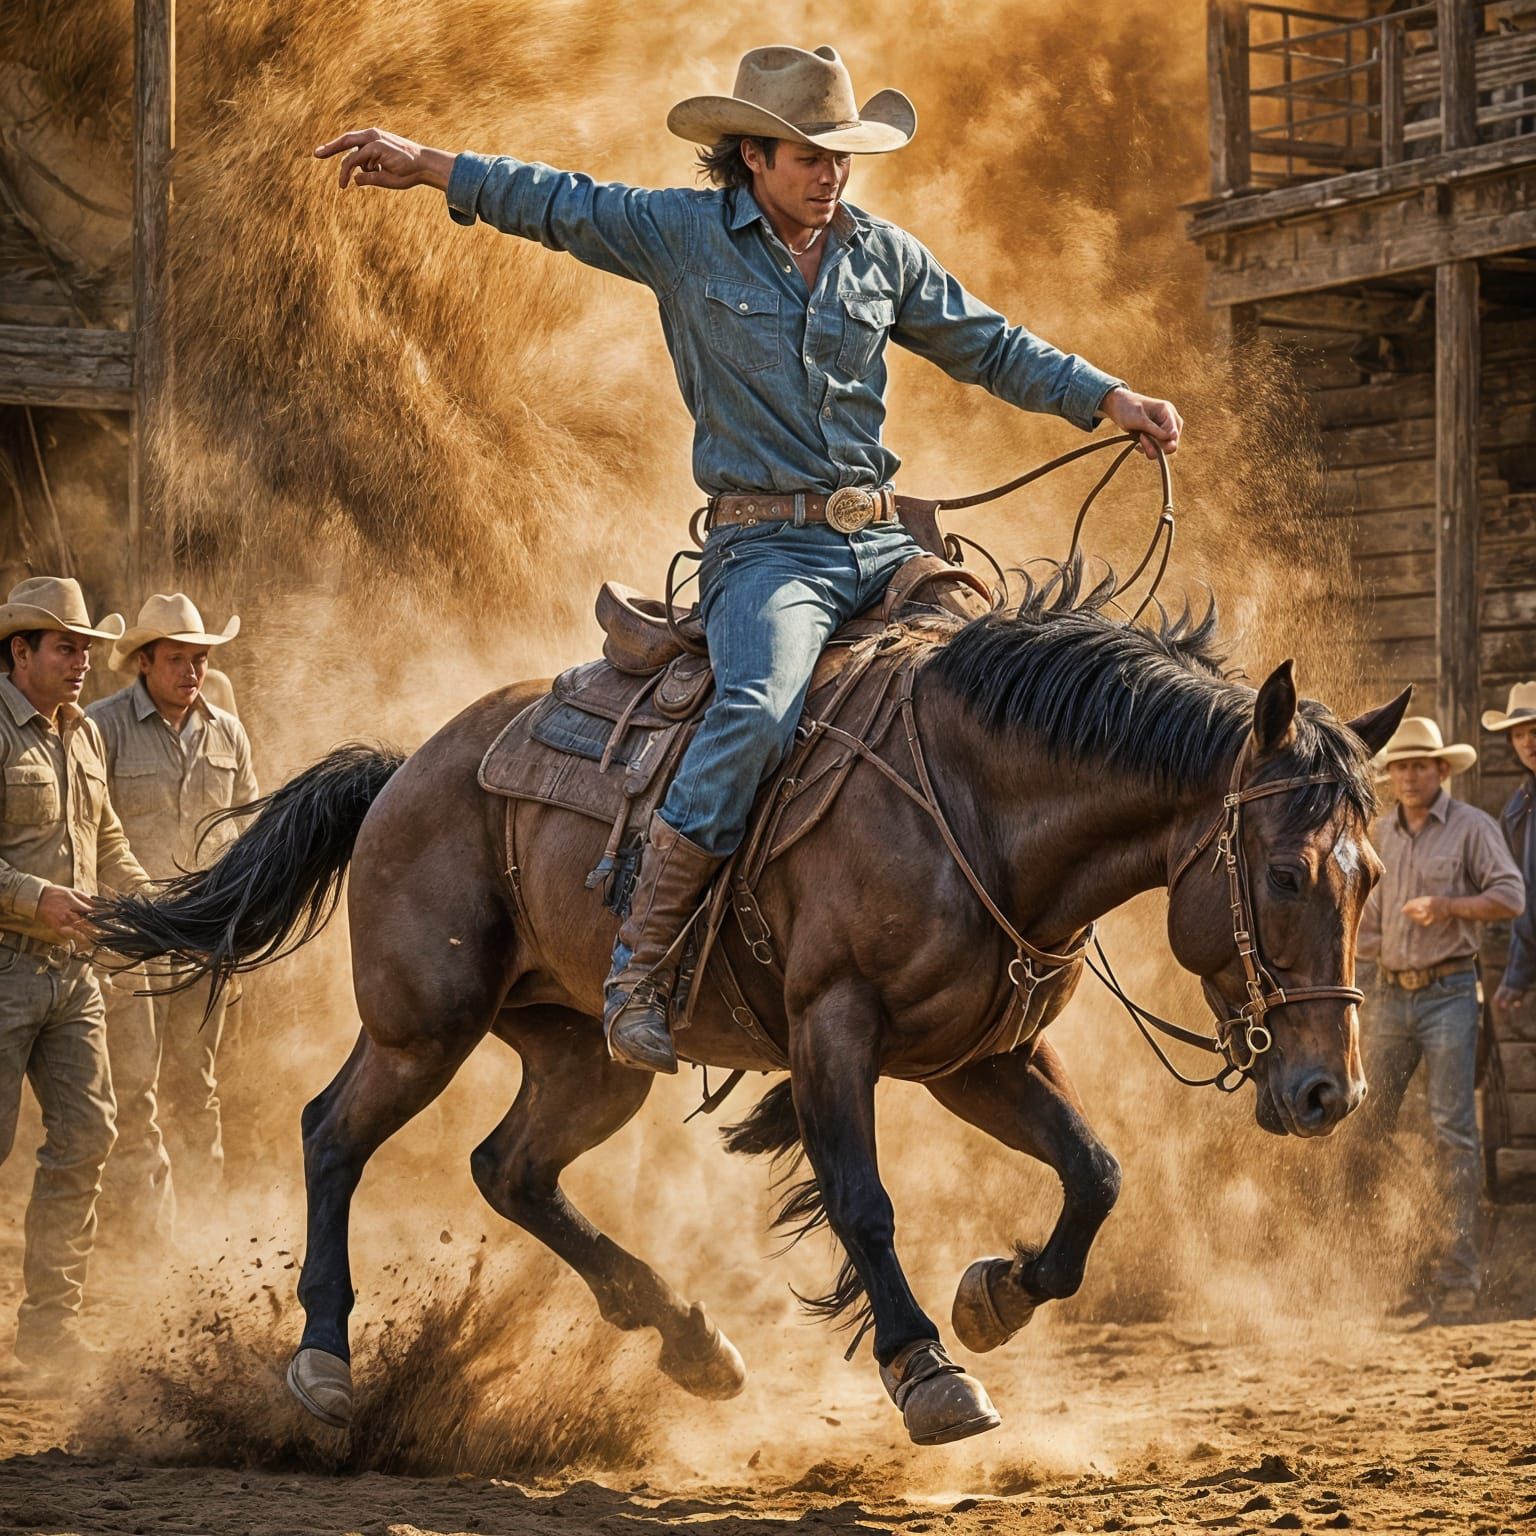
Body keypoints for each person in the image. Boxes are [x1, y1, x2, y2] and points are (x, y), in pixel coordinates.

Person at [314, 44, 1184, 1073]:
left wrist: (1108, 398)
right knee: (759, 706)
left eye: (840, 157)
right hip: (766, 553)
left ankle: (960, 950)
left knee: (1006, 691)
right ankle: (644, 959)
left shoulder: (882, 257)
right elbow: (558, 202)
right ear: (749, 157)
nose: (829, 174)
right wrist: (427, 164)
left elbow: (990, 343)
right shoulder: (681, 237)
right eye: (807, 155)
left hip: (884, 542)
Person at [0, 577, 151, 1373]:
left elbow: (110, 842)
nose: (82, 660)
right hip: (4, 967)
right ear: (21, 651)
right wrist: (35, 897)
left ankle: (50, 1328)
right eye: (67, 646)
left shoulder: (83, 735)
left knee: (88, 1135)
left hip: (73, 975)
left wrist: (155, 906)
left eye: (87, 647)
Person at [86, 594, 256, 1239]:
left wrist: (237, 927)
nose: (192, 671)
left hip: (205, 937)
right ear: (145, 662)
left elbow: (246, 833)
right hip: (130, 937)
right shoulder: (101, 727)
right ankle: (146, 1243)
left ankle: (205, 1236)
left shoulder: (228, 731)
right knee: (134, 1091)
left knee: (197, 1085)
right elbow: (90, 833)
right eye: (179, 659)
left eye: (201, 659)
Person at [1356, 715, 1525, 1315]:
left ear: (1442, 770)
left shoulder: (1473, 828)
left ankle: (1459, 1276)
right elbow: (1367, 922)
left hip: (1451, 991)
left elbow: (1511, 895)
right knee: (1368, 1125)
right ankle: (1394, 1271)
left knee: (1454, 1132)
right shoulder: (1378, 832)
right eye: (1398, 766)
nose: (1406, 775)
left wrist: (1450, 906)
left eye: (1418, 765)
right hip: (1388, 995)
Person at [1484, 683, 1536, 1033]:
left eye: (1534, 731)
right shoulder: (1518, 810)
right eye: (1519, 735)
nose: (1528, 743)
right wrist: (1517, 974)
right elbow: (1524, 899)